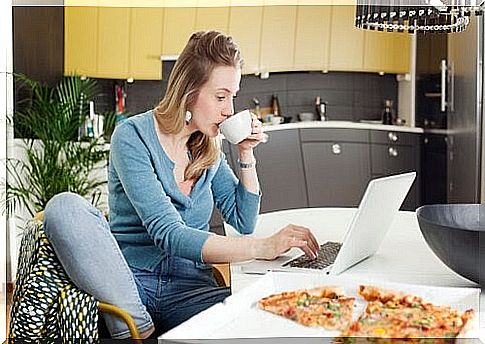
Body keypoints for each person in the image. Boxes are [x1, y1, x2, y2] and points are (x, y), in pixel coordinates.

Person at [43, 30, 319, 339]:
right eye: (220, 96)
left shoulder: (208, 148)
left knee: (262, 320)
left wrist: (245, 152)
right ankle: (135, 326)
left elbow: (243, 220)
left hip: (191, 288)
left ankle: (135, 329)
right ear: (189, 91)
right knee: (63, 208)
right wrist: (263, 247)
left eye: (233, 96)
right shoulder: (132, 137)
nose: (230, 109)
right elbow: (168, 234)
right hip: (132, 282)